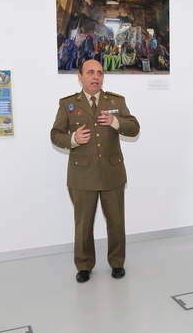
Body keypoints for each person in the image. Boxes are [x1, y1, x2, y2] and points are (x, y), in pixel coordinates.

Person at [50, 59, 140, 283]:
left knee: (116, 222)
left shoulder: (116, 101)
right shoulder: (68, 104)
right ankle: (84, 265)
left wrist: (115, 121)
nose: (96, 77)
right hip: (82, 175)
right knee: (83, 225)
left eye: (99, 73)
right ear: (80, 76)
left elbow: (134, 127)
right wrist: (72, 139)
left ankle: (117, 262)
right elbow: (55, 134)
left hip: (112, 173)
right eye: (90, 72)